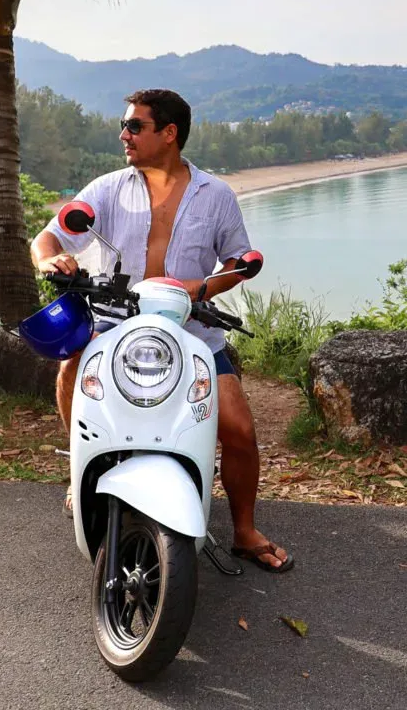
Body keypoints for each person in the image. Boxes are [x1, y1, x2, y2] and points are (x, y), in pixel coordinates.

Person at [30, 88, 293, 574]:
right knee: (71, 371)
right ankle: (80, 466)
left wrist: (201, 287)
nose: (124, 135)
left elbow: (239, 259)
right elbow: (48, 236)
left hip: (191, 329)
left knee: (239, 430)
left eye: (135, 126)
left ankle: (244, 531)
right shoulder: (107, 188)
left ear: (169, 133)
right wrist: (51, 259)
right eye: (124, 125)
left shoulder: (216, 195)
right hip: (114, 322)